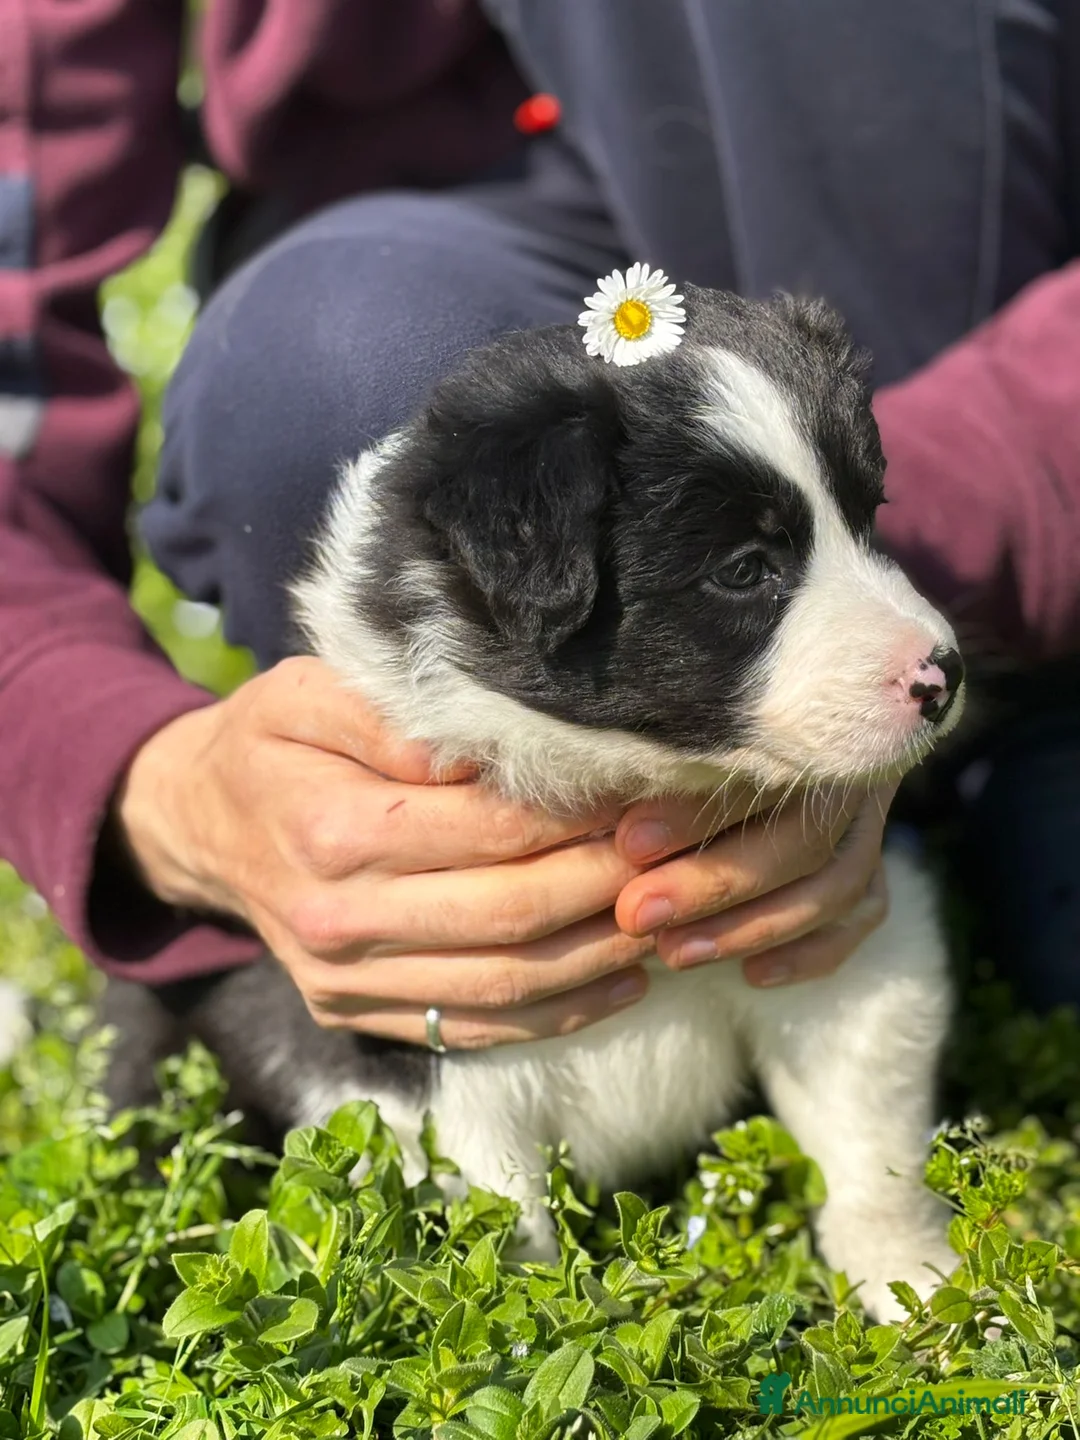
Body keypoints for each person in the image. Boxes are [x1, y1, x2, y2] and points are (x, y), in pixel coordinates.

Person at [1, 0, 1078, 1054]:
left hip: (955, 282)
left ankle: (992, 739)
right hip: (412, 209)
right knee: (326, 377)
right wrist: (145, 777)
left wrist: (907, 534)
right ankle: (513, 991)